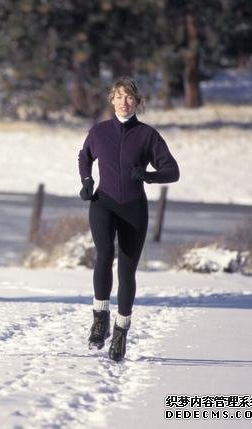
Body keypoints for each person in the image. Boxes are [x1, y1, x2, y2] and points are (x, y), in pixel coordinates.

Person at [77, 77, 179, 362]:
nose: (124, 102)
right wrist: (87, 181)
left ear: (138, 102)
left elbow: (172, 171)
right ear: (112, 100)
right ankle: (100, 320)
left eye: (130, 97)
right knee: (104, 255)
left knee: (127, 272)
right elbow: (84, 157)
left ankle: (121, 331)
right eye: (119, 96)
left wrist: (149, 175)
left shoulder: (148, 136)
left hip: (134, 207)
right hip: (103, 203)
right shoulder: (98, 132)